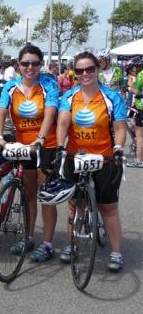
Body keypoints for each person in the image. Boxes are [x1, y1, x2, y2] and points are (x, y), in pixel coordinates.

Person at [56, 51, 127, 271]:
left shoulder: (112, 97)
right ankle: (71, 244)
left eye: (89, 69)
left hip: (104, 158)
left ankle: (116, 252)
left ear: (97, 70)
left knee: (108, 208)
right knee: (74, 205)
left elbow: (120, 128)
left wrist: (118, 148)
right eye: (79, 70)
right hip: (75, 158)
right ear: (74, 73)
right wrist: (60, 147)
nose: (85, 74)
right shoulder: (69, 97)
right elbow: (63, 124)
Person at [0, 44, 60, 262]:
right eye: (25, 63)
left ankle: (48, 244)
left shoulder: (49, 84)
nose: (30, 67)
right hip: (23, 146)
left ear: (40, 65)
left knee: (46, 197)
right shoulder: (11, 87)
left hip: (46, 145)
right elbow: (2, 110)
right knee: (29, 195)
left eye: (34, 63)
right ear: (18, 65)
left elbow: (50, 112)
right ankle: (29, 236)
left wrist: (40, 138)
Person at [127, 56, 143, 168]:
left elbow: (136, 90)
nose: (134, 70)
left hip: (141, 106)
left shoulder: (141, 75)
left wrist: (128, 88)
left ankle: (139, 160)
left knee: (139, 134)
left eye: (134, 67)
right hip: (137, 106)